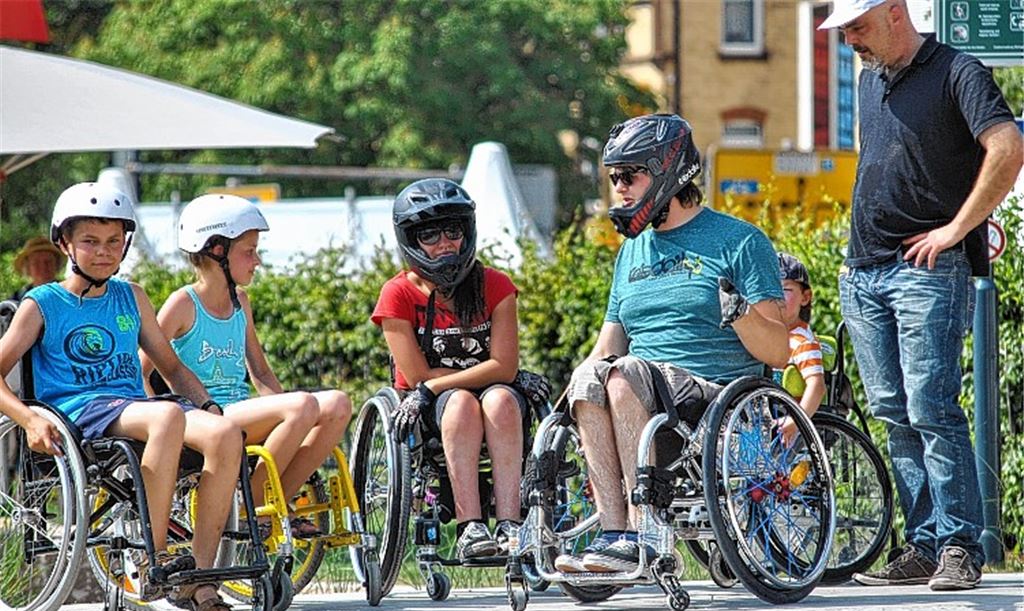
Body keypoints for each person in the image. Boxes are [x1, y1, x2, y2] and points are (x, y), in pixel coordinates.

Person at [819, 0, 1023, 590]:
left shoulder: (959, 71)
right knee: (893, 412)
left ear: (895, 13)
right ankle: (926, 544)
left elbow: (1007, 147)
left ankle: (961, 545)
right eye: (843, 29)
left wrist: (958, 230)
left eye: (857, 26)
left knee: (932, 406)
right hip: (863, 270)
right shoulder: (868, 78)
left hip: (926, 271)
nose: (849, 40)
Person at [554, 114, 789, 574]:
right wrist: (567, 400)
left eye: (629, 176)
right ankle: (614, 535)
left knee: (623, 377)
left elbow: (779, 351)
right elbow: (608, 346)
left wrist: (739, 311)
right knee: (590, 378)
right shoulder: (631, 253)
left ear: (666, 172)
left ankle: (645, 532)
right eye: (613, 177)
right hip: (645, 388)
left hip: (713, 396)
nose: (618, 188)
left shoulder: (739, 241)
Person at [0, 182, 240, 611]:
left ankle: (201, 578)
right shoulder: (43, 303)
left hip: (135, 409)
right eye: (90, 241)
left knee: (225, 432)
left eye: (114, 242)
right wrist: (27, 417)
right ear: (65, 243)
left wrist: (206, 405)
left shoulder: (133, 297)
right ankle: (156, 557)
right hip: (82, 412)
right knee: (166, 414)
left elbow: (171, 366)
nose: (104, 252)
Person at [140, 194, 352, 539]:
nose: (257, 260)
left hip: (241, 412)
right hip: (207, 419)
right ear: (217, 251)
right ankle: (248, 506)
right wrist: (162, 425)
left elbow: (262, 373)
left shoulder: (241, 302)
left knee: (338, 405)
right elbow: (142, 369)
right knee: (303, 405)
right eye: (249, 251)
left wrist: (296, 416)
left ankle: (276, 497)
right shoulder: (182, 303)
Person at [372, 178, 549, 560]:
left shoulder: (496, 285)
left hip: (489, 398)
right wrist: (482, 375)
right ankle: (471, 527)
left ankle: (510, 524)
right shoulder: (397, 294)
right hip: (430, 410)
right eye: (430, 235)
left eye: (453, 231)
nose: (444, 244)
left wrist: (488, 376)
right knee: (463, 405)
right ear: (410, 241)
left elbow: (504, 366)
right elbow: (417, 377)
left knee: (501, 400)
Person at [776, 252, 825, 445]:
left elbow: (817, 386)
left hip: (792, 427)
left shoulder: (802, 341)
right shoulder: (773, 338)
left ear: (805, 297)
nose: (776, 298)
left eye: (785, 290)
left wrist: (795, 421)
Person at [9, 236, 66, 301]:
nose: (43, 267)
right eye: (36, 263)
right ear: (28, 268)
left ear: (57, 264)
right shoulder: (17, 299)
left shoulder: (69, 292)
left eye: (48, 262)